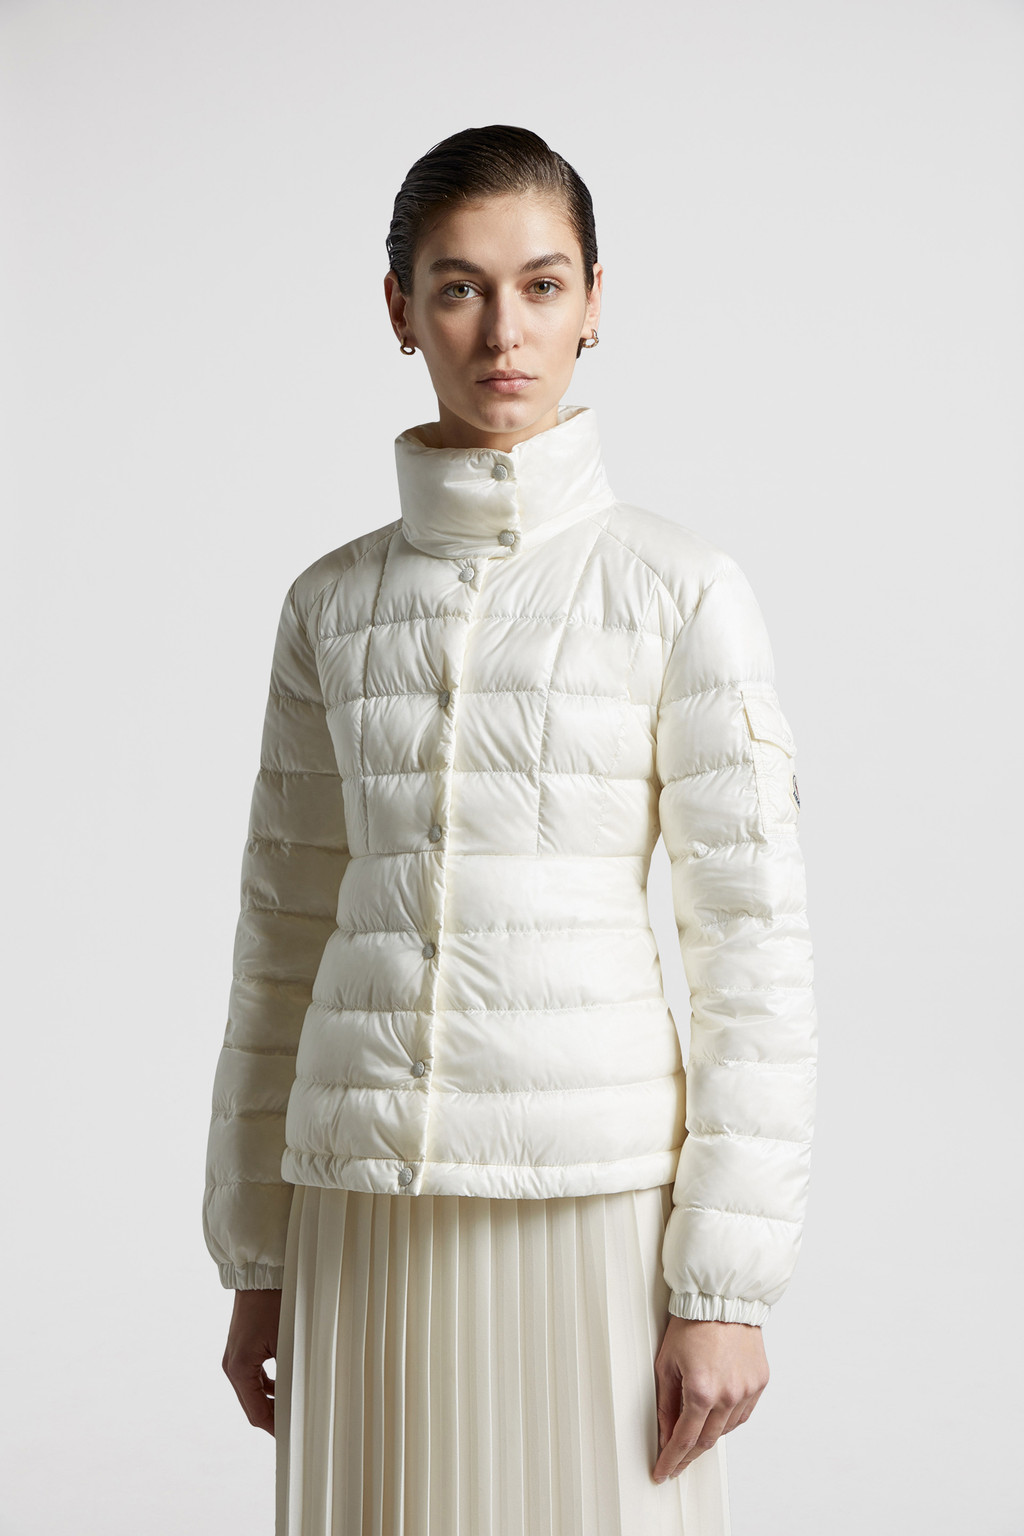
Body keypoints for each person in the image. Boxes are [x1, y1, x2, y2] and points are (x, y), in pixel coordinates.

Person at [202, 123, 818, 1536]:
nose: (503, 332)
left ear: (595, 300)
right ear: (400, 307)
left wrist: (726, 1290)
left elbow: (753, 955)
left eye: (541, 286)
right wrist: (257, 1249)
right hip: (359, 1206)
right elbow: (281, 936)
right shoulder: (329, 606)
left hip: (593, 1205)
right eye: (460, 288)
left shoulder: (679, 590)